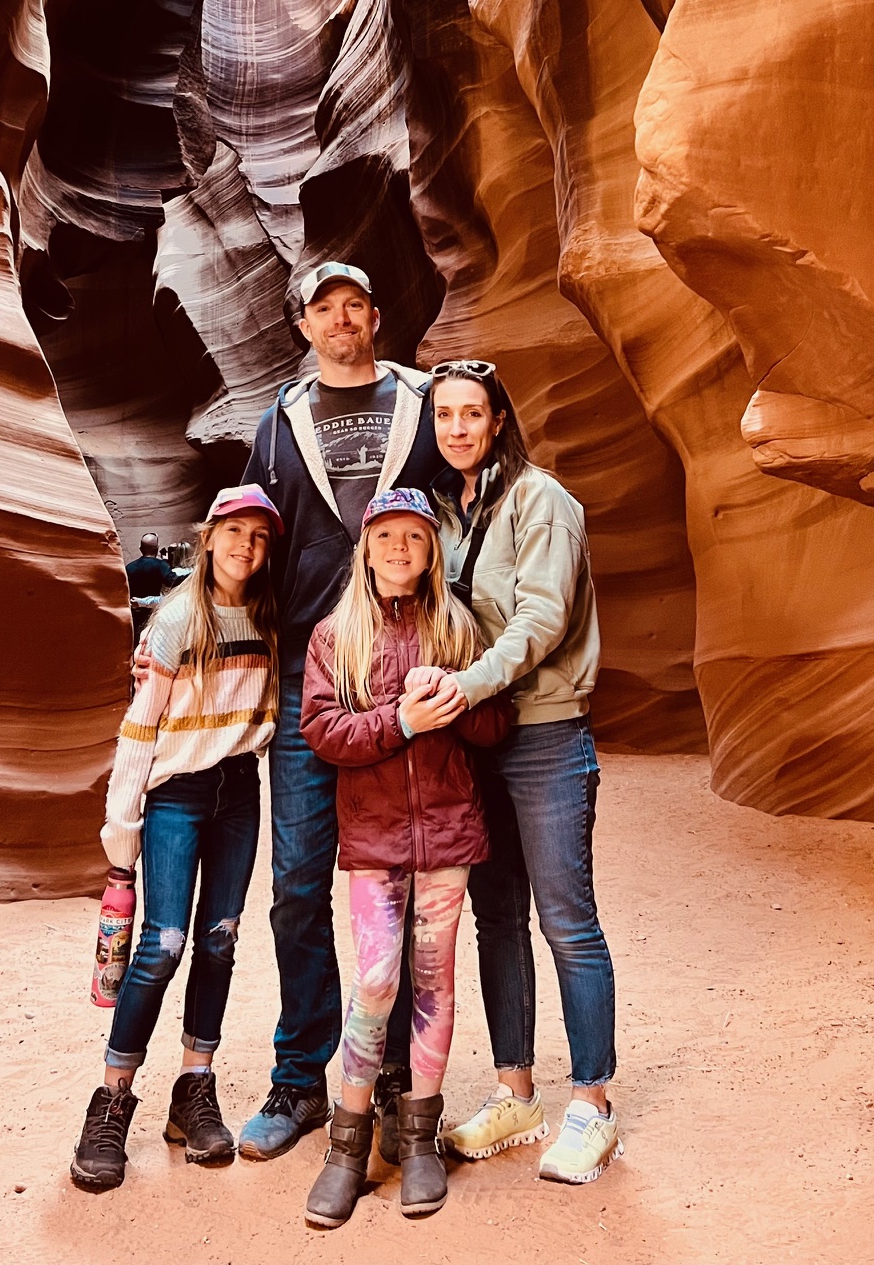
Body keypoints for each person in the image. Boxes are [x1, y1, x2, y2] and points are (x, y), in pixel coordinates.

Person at [234, 260, 444, 1161]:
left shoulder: (423, 406)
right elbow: (248, 536)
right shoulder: (278, 422)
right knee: (296, 883)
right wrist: (189, 635)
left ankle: (391, 1073)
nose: (342, 319)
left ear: (375, 316)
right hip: (306, 673)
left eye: (355, 305)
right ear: (305, 326)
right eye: (326, 308)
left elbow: (462, 513)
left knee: (399, 879)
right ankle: (299, 1076)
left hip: (405, 664)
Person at [423, 360, 621, 1185]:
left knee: (566, 921)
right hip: (478, 740)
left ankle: (593, 1106)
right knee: (496, 919)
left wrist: (466, 685)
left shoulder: (543, 502)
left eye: (472, 414)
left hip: (543, 734)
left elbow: (542, 617)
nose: (458, 429)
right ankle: (516, 1093)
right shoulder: (446, 512)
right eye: (445, 416)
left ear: (499, 420)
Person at [299, 489, 511, 1226]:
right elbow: (322, 731)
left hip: (447, 833)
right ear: (366, 548)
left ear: (432, 552)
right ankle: (348, 1145)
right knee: (376, 980)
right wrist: (401, 720)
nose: (399, 548)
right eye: (385, 535)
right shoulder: (335, 635)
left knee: (434, 981)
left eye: (414, 537)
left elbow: (495, 723)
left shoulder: (458, 627)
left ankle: (419, 1136)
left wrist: (454, 696)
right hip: (374, 839)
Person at [69, 485, 281, 1192]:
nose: (246, 547)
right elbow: (140, 727)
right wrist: (121, 827)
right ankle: (112, 1100)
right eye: (235, 532)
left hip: (238, 790)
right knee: (162, 944)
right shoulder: (177, 619)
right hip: (176, 793)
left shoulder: (270, 616)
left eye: (259, 537)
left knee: (219, 938)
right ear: (209, 536)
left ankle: (194, 1091)